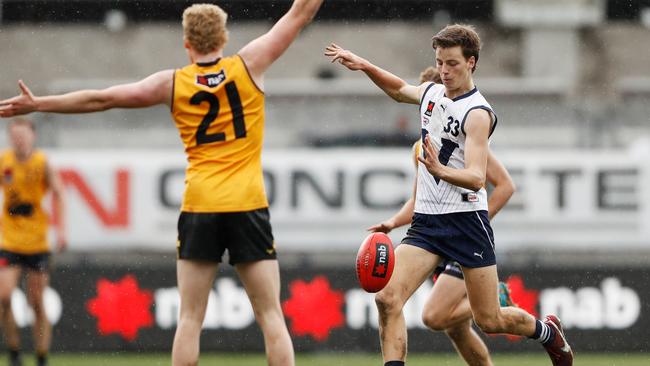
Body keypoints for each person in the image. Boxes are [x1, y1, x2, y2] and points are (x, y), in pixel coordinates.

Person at [0, 2, 324, 365]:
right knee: (270, 316)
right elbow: (300, 13)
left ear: (187, 43)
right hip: (247, 204)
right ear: (224, 36)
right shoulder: (249, 64)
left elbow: (101, 99)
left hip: (200, 207)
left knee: (189, 318)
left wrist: (40, 104)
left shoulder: (172, 83)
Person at [326, 24, 573, 366]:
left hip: (466, 224)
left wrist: (440, 171)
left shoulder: (477, 114)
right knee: (387, 298)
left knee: (490, 321)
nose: (444, 70)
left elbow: (475, 177)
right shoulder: (432, 93)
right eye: (440, 62)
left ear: (472, 62)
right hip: (427, 225)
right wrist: (364, 65)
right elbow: (398, 89)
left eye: (452, 63)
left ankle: (547, 332)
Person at [369, 67, 516, 365]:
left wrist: (475, 220)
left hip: (463, 233)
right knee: (456, 330)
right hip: (435, 232)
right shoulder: (420, 148)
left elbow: (505, 186)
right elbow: (418, 199)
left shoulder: (465, 137)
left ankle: (495, 296)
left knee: (435, 316)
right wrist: (393, 223)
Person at [0, 118, 67, 366]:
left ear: (33, 136)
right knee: (4, 297)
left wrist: (61, 231)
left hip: (37, 242)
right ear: (10, 138)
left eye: (24, 135)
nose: (19, 139)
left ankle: (41, 357)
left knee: (36, 302)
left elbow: (60, 193)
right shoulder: (4, 162)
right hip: (9, 240)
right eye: (15, 135)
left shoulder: (42, 164)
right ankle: (15, 352)